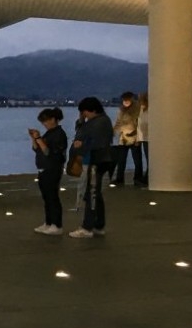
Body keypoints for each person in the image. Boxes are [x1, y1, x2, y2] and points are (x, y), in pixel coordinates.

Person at [70, 97, 114, 238]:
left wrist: (81, 146)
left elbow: (95, 142)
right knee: (95, 193)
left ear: (92, 110)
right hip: (99, 160)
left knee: (92, 194)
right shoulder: (101, 121)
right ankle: (98, 225)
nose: (84, 115)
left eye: (85, 112)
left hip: (96, 161)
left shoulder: (99, 123)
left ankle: (87, 227)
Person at [28, 108, 67, 235]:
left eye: (46, 121)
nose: (44, 124)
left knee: (52, 197)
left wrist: (38, 138)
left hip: (53, 168)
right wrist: (34, 138)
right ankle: (49, 222)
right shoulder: (49, 133)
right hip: (43, 169)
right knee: (46, 197)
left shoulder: (59, 134)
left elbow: (48, 151)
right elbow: (37, 149)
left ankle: (57, 224)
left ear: (53, 119)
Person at [110, 91, 143, 187]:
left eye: (127, 100)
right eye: (124, 100)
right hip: (123, 138)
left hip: (135, 137)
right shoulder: (121, 110)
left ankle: (138, 179)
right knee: (121, 160)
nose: (125, 102)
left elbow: (140, 124)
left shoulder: (137, 109)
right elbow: (118, 122)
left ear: (132, 99)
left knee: (137, 160)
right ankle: (120, 179)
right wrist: (112, 133)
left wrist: (138, 138)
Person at [137, 90, 150, 185]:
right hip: (146, 138)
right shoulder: (142, 109)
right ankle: (147, 177)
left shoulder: (153, 109)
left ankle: (147, 177)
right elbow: (140, 124)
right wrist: (139, 138)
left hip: (152, 137)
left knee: (150, 159)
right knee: (148, 158)